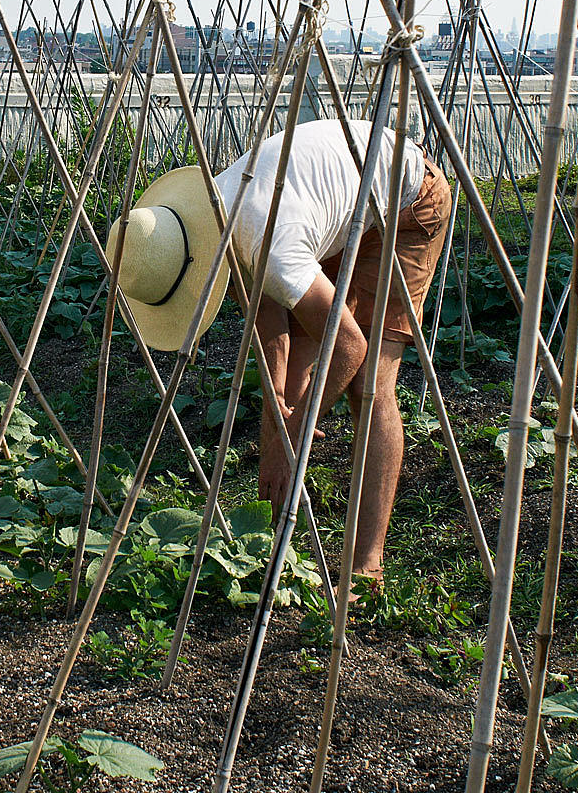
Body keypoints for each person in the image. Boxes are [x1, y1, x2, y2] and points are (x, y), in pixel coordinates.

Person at [109, 118, 451, 588]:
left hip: (406, 199)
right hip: (335, 210)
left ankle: (367, 563)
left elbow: (350, 345)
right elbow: (269, 323)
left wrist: (291, 436)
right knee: (291, 385)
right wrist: (276, 420)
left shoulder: (266, 245)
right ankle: (273, 540)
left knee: (369, 388)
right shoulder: (210, 224)